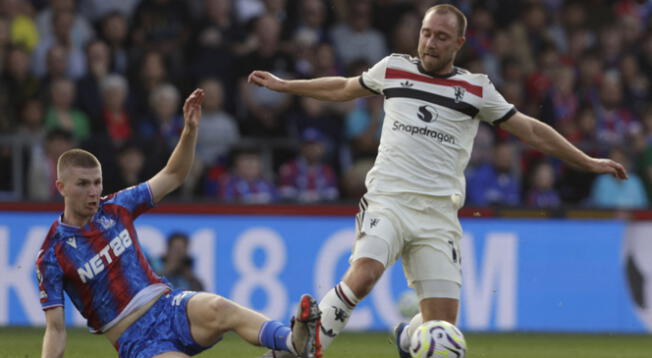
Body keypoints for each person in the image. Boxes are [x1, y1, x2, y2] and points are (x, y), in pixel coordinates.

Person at [248, 4, 628, 358]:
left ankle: (408, 337)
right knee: (363, 276)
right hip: (389, 200)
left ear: (459, 44)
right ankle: (290, 349)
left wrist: (587, 161)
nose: (430, 42)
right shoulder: (393, 69)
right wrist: (286, 85)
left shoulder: (477, 90)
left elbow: (530, 129)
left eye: (441, 37)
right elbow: (345, 87)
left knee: (443, 331)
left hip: (438, 217)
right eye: (426, 33)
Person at [36, 89, 322, 358]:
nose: (93, 191)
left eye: (97, 183)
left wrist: (189, 131)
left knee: (221, 307)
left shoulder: (116, 207)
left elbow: (173, 175)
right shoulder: (53, 253)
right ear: (61, 186)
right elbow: (56, 328)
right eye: (83, 184)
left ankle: (293, 343)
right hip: (136, 339)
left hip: (169, 306)